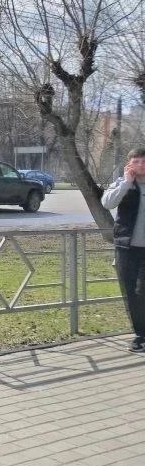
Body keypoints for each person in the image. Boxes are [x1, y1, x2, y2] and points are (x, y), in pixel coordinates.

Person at [101, 147, 145, 352]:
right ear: (129, 164)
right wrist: (126, 183)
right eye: (136, 161)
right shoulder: (122, 183)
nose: (141, 165)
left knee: (142, 291)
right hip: (126, 249)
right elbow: (107, 203)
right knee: (130, 292)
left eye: (144, 161)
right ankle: (140, 335)